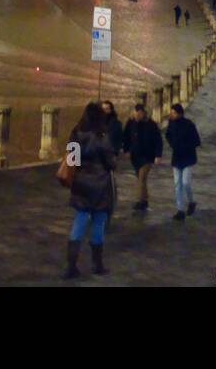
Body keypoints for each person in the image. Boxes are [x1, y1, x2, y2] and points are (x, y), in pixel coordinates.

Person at [64, 101, 117, 279]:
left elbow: (72, 161)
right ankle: (97, 264)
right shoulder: (102, 136)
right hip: (100, 184)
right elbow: (111, 163)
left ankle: (71, 265)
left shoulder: (76, 133)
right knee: (98, 222)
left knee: (79, 220)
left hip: (81, 183)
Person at [121, 102, 163, 212]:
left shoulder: (151, 124)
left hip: (148, 156)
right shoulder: (131, 123)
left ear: (144, 113)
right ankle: (144, 201)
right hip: (135, 156)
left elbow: (158, 140)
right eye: (136, 113)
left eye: (140, 113)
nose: (137, 115)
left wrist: (158, 155)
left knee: (141, 177)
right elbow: (126, 137)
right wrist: (126, 150)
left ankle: (140, 201)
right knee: (141, 179)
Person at [165, 103, 200, 221]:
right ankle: (180, 209)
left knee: (185, 182)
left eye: (173, 113)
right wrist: (172, 144)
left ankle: (191, 201)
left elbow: (196, 141)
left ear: (179, 113)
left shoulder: (189, 125)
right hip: (176, 158)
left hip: (188, 158)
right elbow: (168, 135)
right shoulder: (171, 124)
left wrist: (185, 146)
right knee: (177, 185)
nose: (171, 114)